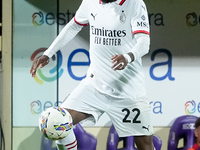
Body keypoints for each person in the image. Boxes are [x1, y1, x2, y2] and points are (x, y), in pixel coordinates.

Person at [30, 0, 154, 149]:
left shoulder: (134, 3)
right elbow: (73, 26)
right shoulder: (90, 2)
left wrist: (128, 57)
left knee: (144, 145)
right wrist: (48, 54)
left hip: (127, 91)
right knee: (58, 122)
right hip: (95, 85)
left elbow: (144, 41)